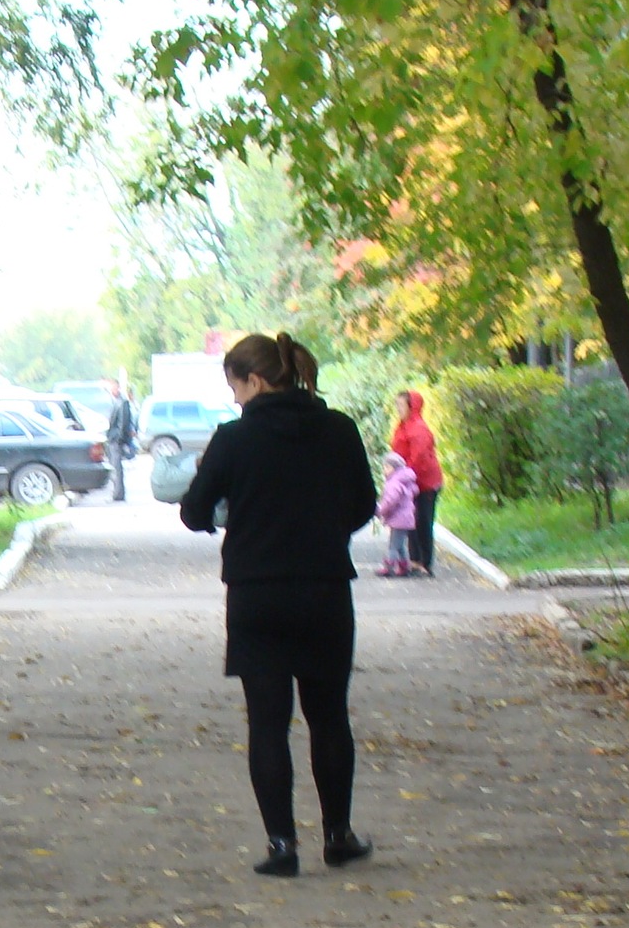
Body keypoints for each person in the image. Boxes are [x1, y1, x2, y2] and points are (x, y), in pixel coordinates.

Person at [178, 331, 378, 877]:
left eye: (236, 388)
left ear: (256, 380)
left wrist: (227, 508)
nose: (235, 400)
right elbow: (365, 504)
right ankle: (338, 836)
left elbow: (193, 513)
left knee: (267, 723)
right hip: (324, 589)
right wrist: (325, 529)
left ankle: (282, 846)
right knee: (329, 717)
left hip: (256, 593)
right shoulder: (339, 430)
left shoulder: (233, 439)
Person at [390, 389, 443, 576]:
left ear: (412, 406)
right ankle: (414, 561)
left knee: (423, 521)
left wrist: (403, 476)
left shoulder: (418, 429)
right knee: (410, 521)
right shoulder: (403, 426)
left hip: (425, 483)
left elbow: (418, 458)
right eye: (397, 404)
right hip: (409, 482)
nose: (398, 408)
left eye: (401, 405)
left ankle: (425, 563)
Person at [373, 448, 419, 576]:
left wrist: (380, 510)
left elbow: (390, 501)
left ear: (394, 468)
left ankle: (389, 567)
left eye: (386, 467)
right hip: (406, 518)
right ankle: (404, 567)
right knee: (400, 545)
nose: (384, 470)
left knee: (393, 546)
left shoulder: (394, 483)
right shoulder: (404, 481)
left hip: (399, 519)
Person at [104, 378, 136, 502]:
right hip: (113, 438)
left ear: (117, 388)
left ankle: (118, 494)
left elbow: (123, 423)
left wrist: (118, 439)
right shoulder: (116, 401)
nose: (111, 390)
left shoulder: (122, 403)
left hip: (116, 440)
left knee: (117, 468)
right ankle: (117, 493)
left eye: (113, 387)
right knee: (115, 467)